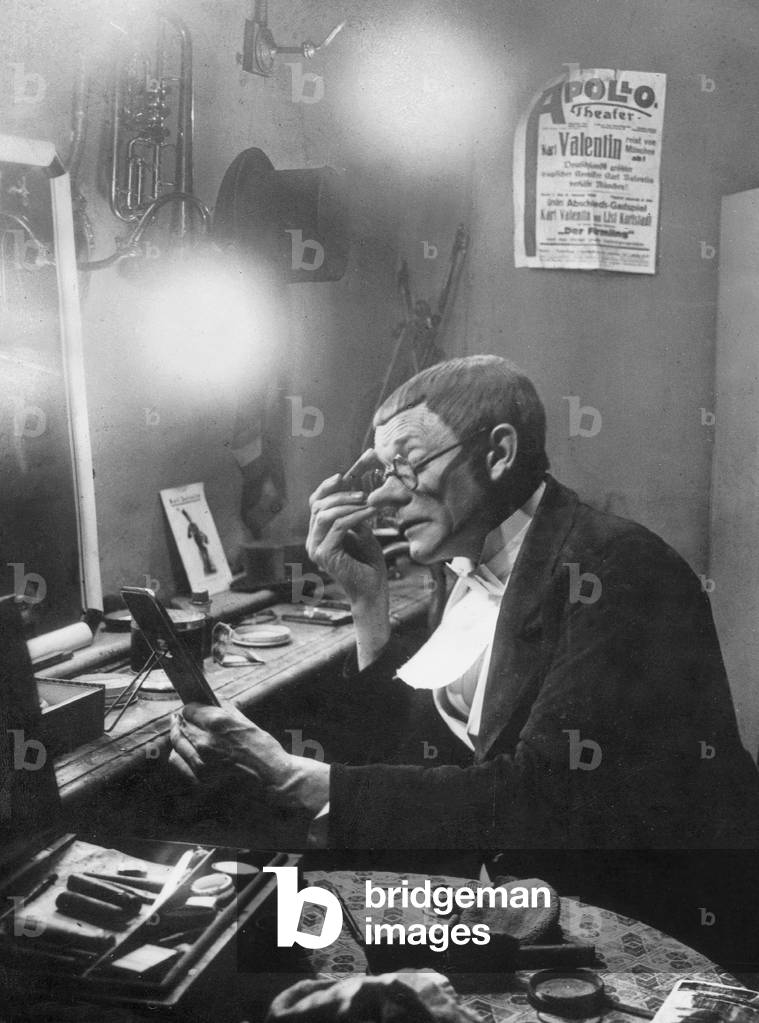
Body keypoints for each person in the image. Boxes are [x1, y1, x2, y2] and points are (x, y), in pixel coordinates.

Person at [170, 355, 759, 852]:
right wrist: (368, 600)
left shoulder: (616, 572)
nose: (383, 495)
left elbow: (538, 801)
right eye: (380, 470)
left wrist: (289, 776)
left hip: (639, 904)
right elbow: (425, 751)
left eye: (407, 463)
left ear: (498, 454)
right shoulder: (469, 560)